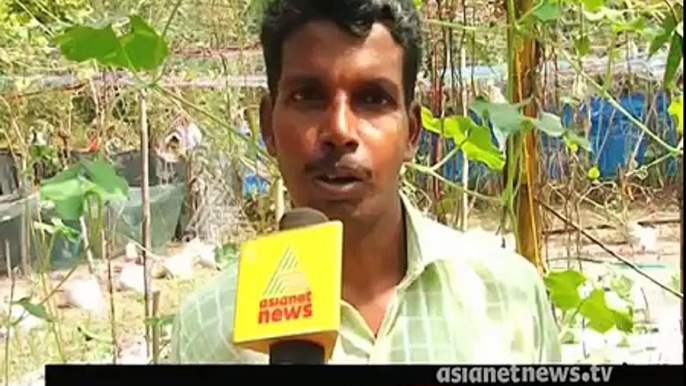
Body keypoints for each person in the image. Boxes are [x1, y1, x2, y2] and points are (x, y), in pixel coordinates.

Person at [169, 0, 562, 364]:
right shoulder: (209, 327)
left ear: (412, 133)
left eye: (372, 99)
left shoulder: (508, 298)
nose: (339, 130)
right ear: (268, 127)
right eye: (308, 96)